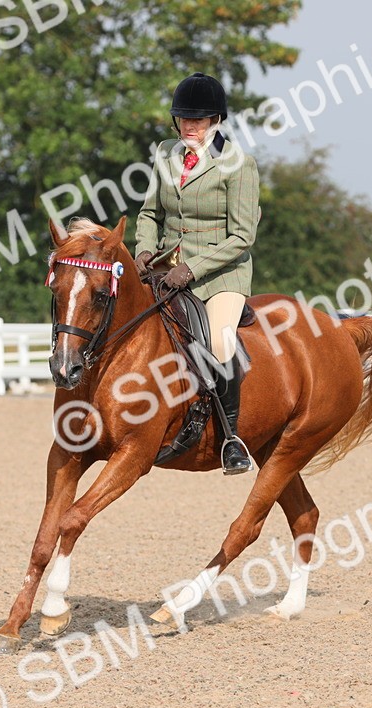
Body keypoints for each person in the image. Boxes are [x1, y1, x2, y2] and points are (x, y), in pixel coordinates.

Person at [135, 72, 260, 476]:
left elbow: (243, 235)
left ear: (216, 121)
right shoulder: (165, 154)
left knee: (221, 343)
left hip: (220, 277)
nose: (191, 126)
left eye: (199, 120)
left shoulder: (239, 164)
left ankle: (232, 439)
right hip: (167, 270)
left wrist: (192, 267)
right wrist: (143, 250)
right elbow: (151, 213)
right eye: (184, 119)